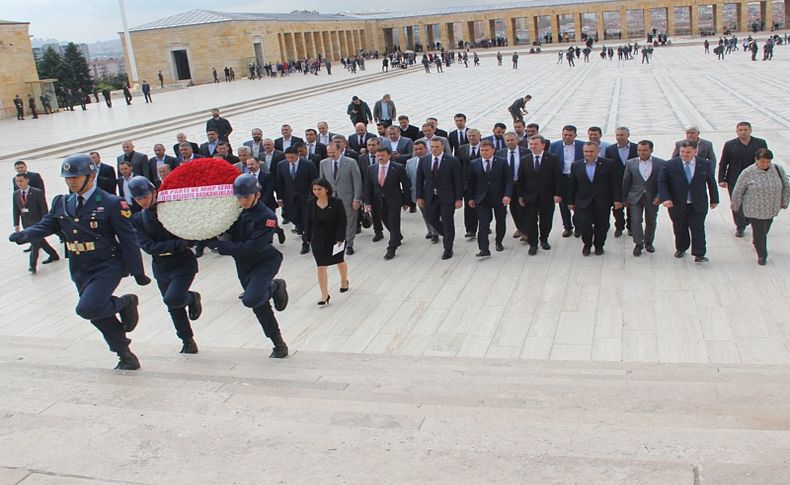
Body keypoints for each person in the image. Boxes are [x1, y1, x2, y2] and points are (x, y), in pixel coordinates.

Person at [8, 154, 150, 370]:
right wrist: (26, 234)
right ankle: (125, 355)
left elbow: (128, 239)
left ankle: (125, 303)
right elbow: (48, 225)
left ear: (91, 175)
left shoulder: (111, 203)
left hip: (106, 265)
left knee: (87, 308)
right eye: (67, 178)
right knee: (96, 313)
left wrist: (138, 271)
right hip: (79, 266)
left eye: (75, 176)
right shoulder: (62, 202)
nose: (71, 181)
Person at [204, 174, 289, 358]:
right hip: (244, 264)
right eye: (239, 197)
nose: (242, 201)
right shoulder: (234, 212)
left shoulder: (267, 217)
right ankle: (278, 344)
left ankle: (274, 286)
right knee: (259, 305)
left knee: (250, 299)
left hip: (264, 261)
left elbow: (252, 247)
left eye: (246, 197)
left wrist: (219, 246)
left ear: (257, 194)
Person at [129, 176, 202, 353]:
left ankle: (191, 297)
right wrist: (177, 243)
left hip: (183, 262)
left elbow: (189, 236)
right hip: (162, 265)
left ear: (154, 193)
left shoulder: (172, 210)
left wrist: (179, 243)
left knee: (173, 298)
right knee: (172, 306)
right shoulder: (138, 219)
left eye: (145, 197)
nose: (142, 202)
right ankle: (187, 340)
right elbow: (148, 246)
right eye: (138, 199)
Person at [658, 140, 719, 263]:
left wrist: (714, 199)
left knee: (698, 228)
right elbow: (662, 181)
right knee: (680, 227)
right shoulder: (670, 165)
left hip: (697, 203)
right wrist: (665, 198)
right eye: (682, 152)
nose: (685, 154)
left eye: (688, 152)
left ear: (695, 151)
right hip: (676, 203)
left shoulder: (704, 164)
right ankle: (681, 248)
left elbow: (711, 182)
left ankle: (699, 253)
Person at [730, 148, 789, 265]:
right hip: (754, 209)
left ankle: (757, 241)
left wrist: (785, 201)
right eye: (762, 161)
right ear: (756, 160)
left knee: (765, 229)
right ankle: (762, 255)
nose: (765, 164)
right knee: (760, 232)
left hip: (772, 208)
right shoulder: (748, 172)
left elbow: (786, 185)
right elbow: (738, 190)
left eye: (768, 161)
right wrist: (735, 205)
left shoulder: (777, 169)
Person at [567, 143, 623, 256]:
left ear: (598, 151)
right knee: (584, 225)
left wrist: (617, 199)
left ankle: (599, 245)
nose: (588, 154)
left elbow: (615, 183)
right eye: (586, 152)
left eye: (591, 151)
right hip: (583, 202)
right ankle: (587, 244)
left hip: (602, 201)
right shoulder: (576, 165)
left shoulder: (608, 164)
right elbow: (572, 185)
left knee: (602, 225)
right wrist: (570, 201)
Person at [718, 121, 769, 237]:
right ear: (737, 131)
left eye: (745, 130)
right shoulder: (730, 144)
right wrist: (722, 178)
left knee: (754, 200)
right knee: (737, 202)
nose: (743, 132)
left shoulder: (760, 143)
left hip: (755, 178)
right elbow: (724, 162)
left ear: (750, 130)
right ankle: (740, 226)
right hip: (735, 179)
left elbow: (766, 161)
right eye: (740, 130)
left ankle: (749, 220)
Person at [303, 178, 349, 305]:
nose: (317, 192)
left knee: (339, 261)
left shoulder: (336, 202)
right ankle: (324, 294)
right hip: (318, 239)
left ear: (326, 189)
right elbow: (308, 221)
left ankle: (344, 280)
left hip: (334, 238)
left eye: (319, 189)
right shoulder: (310, 203)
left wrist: (341, 237)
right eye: (314, 189)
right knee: (321, 266)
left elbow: (342, 220)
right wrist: (307, 237)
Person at [416, 138, 463, 260]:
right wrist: (419, 196)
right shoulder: (424, 160)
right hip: (430, 197)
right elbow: (419, 180)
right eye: (432, 147)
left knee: (447, 222)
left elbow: (458, 181)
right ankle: (447, 234)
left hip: (447, 197)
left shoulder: (452, 161)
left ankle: (448, 248)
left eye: (437, 147)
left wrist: (459, 198)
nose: (434, 149)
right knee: (431, 218)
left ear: (442, 147)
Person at [518, 135, 563, 255]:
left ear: (543, 145)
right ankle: (533, 244)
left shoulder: (553, 158)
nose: (533, 146)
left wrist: (558, 194)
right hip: (530, 196)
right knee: (530, 220)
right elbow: (521, 179)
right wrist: (520, 195)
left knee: (546, 220)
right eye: (531, 144)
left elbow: (558, 178)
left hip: (547, 195)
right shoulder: (525, 159)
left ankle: (544, 239)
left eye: (535, 144)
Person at [364, 147, 411, 259]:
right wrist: (368, 202)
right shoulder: (371, 169)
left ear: (389, 155)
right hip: (378, 201)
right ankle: (397, 236)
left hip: (394, 200)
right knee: (386, 222)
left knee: (394, 223)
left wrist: (407, 201)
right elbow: (368, 186)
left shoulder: (398, 168)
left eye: (383, 155)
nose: (380, 158)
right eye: (378, 155)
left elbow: (405, 186)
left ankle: (391, 248)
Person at [467, 140, 512, 256]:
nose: (484, 153)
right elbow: (471, 182)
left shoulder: (502, 162)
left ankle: (499, 241)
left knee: (500, 221)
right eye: (482, 150)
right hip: (482, 198)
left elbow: (508, 180)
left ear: (493, 150)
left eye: (487, 150)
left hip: (499, 197)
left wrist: (507, 195)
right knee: (483, 223)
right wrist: (470, 198)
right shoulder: (474, 163)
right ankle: (484, 248)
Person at [621, 140, 665, 256]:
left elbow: (663, 182)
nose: (642, 152)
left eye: (645, 150)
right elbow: (626, 181)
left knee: (651, 220)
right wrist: (624, 199)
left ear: (651, 150)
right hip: (635, 197)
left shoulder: (660, 163)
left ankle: (649, 242)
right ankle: (638, 243)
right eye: (639, 150)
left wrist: (660, 196)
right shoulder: (631, 163)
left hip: (652, 197)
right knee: (635, 220)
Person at [319, 143, 362, 254]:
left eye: (333, 152)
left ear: (340, 151)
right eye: (329, 153)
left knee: (350, 220)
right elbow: (322, 182)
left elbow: (357, 181)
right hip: (331, 198)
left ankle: (349, 244)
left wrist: (357, 198)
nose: (331, 155)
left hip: (347, 197)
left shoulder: (351, 162)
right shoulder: (323, 163)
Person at [12, 173, 59, 273]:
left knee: (35, 243)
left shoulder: (37, 192)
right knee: (40, 241)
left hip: (37, 222)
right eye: (17, 181)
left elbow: (43, 207)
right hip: (26, 222)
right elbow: (16, 209)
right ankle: (53, 254)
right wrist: (16, 224)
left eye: (21, 181)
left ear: (27, 180)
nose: (19, 183)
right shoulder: (16, 194)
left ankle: (32, 265)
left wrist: (45, 221)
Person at [276, 147, 317, 252]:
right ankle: (304, 230)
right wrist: (279, 197)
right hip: (289, 198)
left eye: (292, 157)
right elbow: (280, 183)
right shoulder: (282, 165)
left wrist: (315, 196)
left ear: (297, 155)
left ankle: (305, 242)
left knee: (306, 219)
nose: (290, 159)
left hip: (306, 198)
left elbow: (314, 181)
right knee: (293, 217)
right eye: (288, 157)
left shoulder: (308, 164)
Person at [549, 125, 585, 237]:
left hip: (577, 179)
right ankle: (567, 227)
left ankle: (578, 227)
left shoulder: (582, 145)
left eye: (570, 135)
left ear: (575, 135)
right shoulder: (555, 146)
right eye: (565, 135)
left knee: (578, 204)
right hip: (562, 178)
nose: (567, 137)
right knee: (563, 205)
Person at [604, 127, 638, 237]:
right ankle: (619, 226)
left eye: (622, 135)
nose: (619, 137)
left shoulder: (636, 148)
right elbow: (607, 166)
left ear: (628, 135)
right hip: (616, 183)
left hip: (632, 182)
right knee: (617, 207)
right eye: (617, 135)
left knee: (631, 206)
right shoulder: (610, 149)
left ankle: (631, 227)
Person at [456, 128, 482, 238]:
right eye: (469, 136)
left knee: (482, 206)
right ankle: (471, 229)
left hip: (482, 182)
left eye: (474, 135)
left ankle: (484, 225)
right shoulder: (462, 149)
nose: (471, 138)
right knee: (469, 206)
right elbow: (458, 165)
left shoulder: (485, 147)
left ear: (479, 136)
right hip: (467, 182)